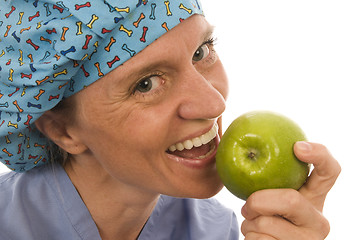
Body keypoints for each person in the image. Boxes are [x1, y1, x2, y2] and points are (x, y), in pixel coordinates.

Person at [0, 0, 340, 239]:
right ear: (62, 130)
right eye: (146, 84)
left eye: (201, 52)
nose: (214, 102)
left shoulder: (218, 232)